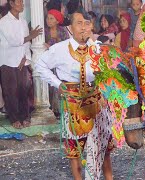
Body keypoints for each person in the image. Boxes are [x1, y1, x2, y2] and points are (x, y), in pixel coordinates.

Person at [35, 11, 113, 180]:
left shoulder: (98, 48)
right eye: (79, 23)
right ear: (70, 28)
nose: (83, 27)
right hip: (72, 104)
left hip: (97, 102)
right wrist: (58, 84)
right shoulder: (60, 49)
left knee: (103, 148)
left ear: (91, 26)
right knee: (75, 151)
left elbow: (107, 73)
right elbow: (40, 66)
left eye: (87, 23)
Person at [0, 0, 42, 129]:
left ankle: (25, 116)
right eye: (20, 2)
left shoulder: (23, 21)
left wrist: (25, 58)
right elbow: (14, 41)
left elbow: (26, 44)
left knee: (23, 90)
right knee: (10, 91)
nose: (22, 5)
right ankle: (14, 118)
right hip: (7, 60)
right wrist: (31, 35)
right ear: (12, 4)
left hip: (21, 60)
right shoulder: (3, 22)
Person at [44, 9, 69, 119]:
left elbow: (67, 47)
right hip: (48, 63)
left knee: (59, 85)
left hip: (60, 63)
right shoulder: (44, 32)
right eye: (47, 18)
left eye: (51, 18)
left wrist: (51, 48)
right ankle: (49, 108)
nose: (48, 20)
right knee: (48, 85)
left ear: (58, 21)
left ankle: (60, 110)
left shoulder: (63, 31)